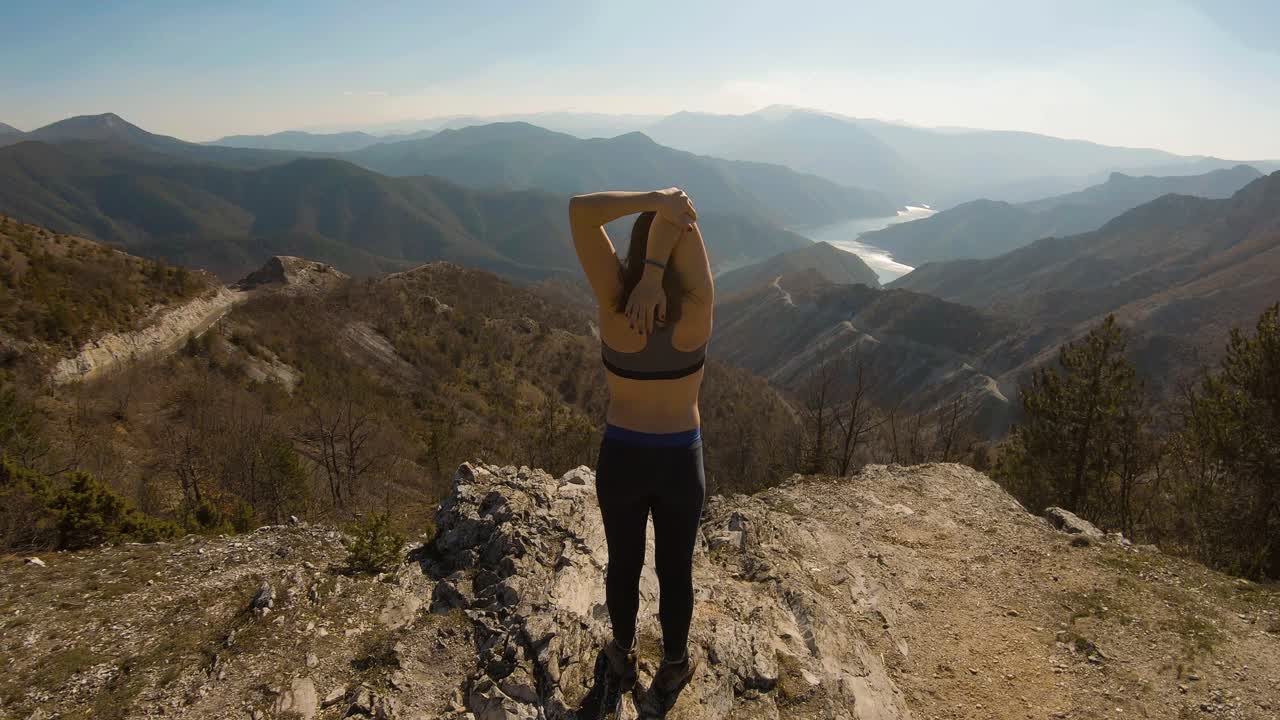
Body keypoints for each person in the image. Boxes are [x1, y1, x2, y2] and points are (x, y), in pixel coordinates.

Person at [568, 187, 713, 699]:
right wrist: (657, 272)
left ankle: (622, 651)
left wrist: (651, 200)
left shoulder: (614, 304)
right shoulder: (698, 308)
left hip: (623, 456)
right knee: (676, 568)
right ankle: (673, 665)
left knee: (624, 560)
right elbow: (685, 214)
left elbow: (580, 212)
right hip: (680, 458)